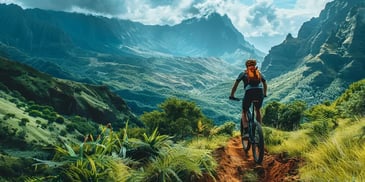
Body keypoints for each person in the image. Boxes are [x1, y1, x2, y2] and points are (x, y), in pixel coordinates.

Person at [229, 59, 267, 137]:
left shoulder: (243, 73)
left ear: (246, 66)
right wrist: (265, 94)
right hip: (259, 92)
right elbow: (265, 83)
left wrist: (232, 95)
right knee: (258, 110)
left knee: (244, 111)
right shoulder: (258, 73)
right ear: (255, 65)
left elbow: (235, 85)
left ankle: (246, 131)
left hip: (249, 92)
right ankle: (259, 130)